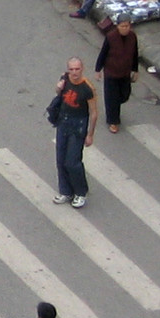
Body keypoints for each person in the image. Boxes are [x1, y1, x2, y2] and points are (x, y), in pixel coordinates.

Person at [52, 57, 99, 207]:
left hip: (78, 125)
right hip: (63, 122)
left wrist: (90, 134)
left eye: (77, 69)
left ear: (82, 69)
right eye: (71, 69)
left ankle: (80, 192)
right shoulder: (65, 79)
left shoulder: (87, 88)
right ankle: (66, 191)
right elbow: (58, 93)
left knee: (72, 161)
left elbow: (93, 113)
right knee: (60, 159)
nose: (74, 72)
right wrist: (58, 87)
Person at [93, 15, 138, 133]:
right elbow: (103, 54)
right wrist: (98, 70)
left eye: (127, 26)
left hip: (125, 72)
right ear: (117, 26)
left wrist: (135, 70)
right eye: (122, 26)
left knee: (124, 95)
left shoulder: (132, 37)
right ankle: (113, 121)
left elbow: (135, 54)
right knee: (112, 98)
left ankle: (114, 107)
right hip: (111, 73)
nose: (125, 28)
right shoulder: (111, 37)